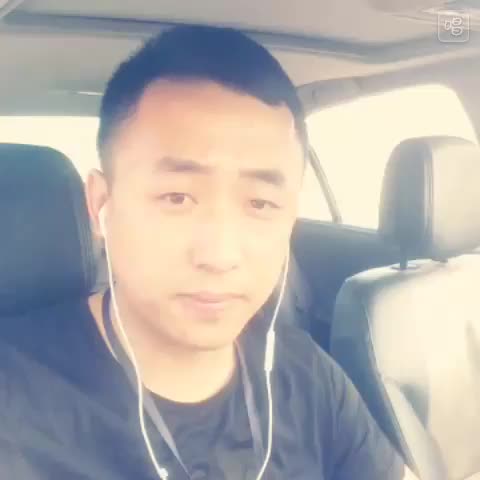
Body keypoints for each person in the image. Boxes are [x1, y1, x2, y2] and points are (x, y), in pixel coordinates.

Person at [0, 25, 418, 480]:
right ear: (102, 205)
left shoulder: (306, 373)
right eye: (177, 197)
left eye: (261, 204)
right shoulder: (15, 398)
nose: (220, 255)